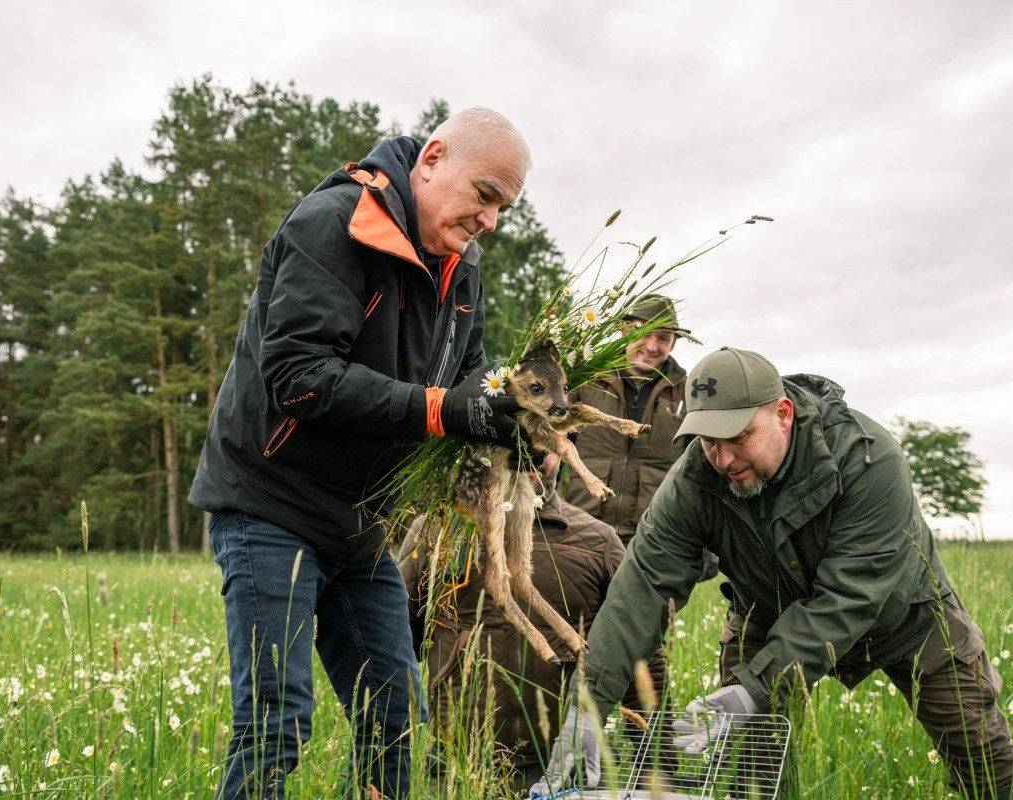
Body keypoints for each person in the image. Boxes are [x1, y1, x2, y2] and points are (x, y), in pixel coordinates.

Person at [187, 108, 532, 800]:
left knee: (396, 716)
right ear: (431, 159)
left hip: (363, 523)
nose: (490, 220)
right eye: (485, 194)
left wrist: (514, 414)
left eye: (505, 208)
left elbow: (470, 374)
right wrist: (441, 410)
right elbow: (299, 376)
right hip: (269, 505)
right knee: (276, 723)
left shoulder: (462, 272)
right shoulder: (335, 223)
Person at [533, 347, 1013, 800]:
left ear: (782, 414)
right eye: (708, 442)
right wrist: (587, 704)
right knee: (753, 774)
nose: (722, 460)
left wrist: (753, 689)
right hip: (765, 614)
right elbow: (643, 584)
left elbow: (849, 600)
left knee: (983, 757)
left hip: (905, 616)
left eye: (739, 437)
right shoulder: (695, 479)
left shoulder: (869, 461)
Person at [398, 453, 668, 794]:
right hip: (454, 767)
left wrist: (657, 770)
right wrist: (388, 751)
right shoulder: (437, 530)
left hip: (563, 768)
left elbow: (643, 657)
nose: (529, 457)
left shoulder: (599, 542)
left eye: (542, 445)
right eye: (514, 442)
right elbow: (394, 640)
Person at [559, 295, 718, 580]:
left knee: (636, 622)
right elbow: (550, 447)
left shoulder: (689, 393)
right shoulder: (587, 378)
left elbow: (703, 472)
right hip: (580, 527)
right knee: (576, 619)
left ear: (673, 343)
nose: (652, 346)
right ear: (623, 330)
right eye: (643, 333)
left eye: (664, 337)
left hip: (650, 539)